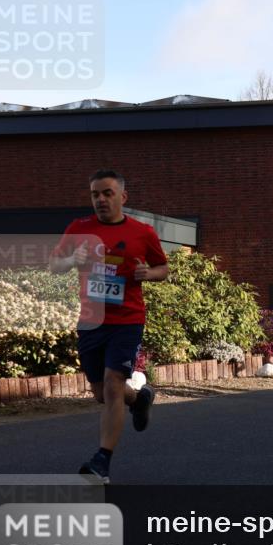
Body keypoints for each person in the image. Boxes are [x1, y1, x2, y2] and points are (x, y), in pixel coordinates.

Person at [49, 169, 169, 483]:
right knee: (102, 393)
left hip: (127, 319)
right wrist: (73, 259)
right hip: (91, 321)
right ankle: (140, 398)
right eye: (95, 194)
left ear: (122, 197)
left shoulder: (142, 233)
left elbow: (163, 267)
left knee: (114, 383)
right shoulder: (79, 229)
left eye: (107, 193)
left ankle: (102, 462)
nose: (100, 199)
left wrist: (149, 274)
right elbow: (54, 266)